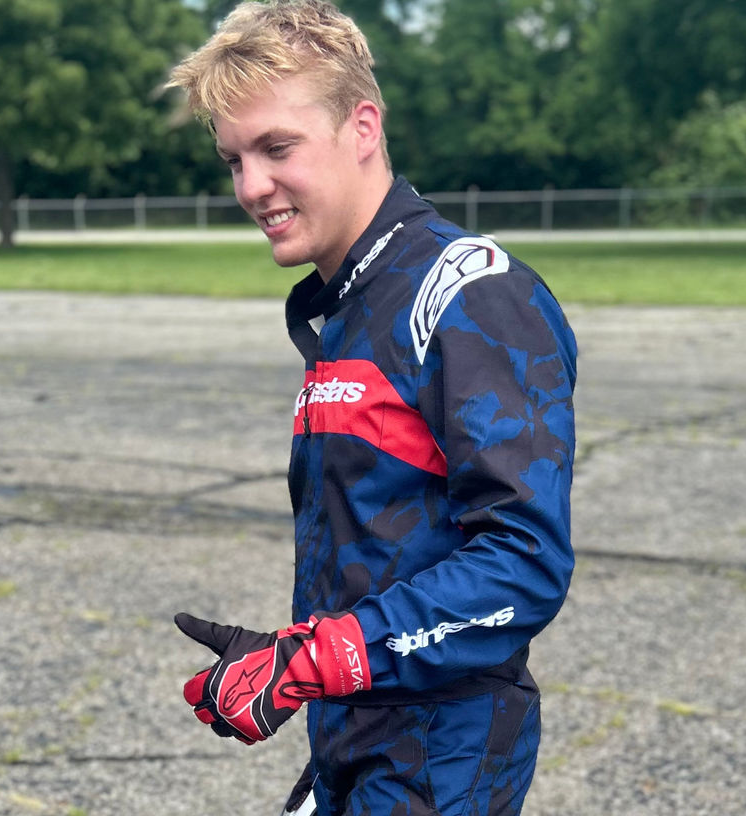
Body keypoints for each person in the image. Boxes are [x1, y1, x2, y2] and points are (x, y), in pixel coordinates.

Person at [166, 2, 577, 814]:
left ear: (362, 126)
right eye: (233, 159)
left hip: (440, 760)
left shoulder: (469, 293)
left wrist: (314, 661)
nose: (252, 186)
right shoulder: (350, 303)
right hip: (355, 743)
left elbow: (524, 564)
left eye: (277, 147)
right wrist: (292, 654)